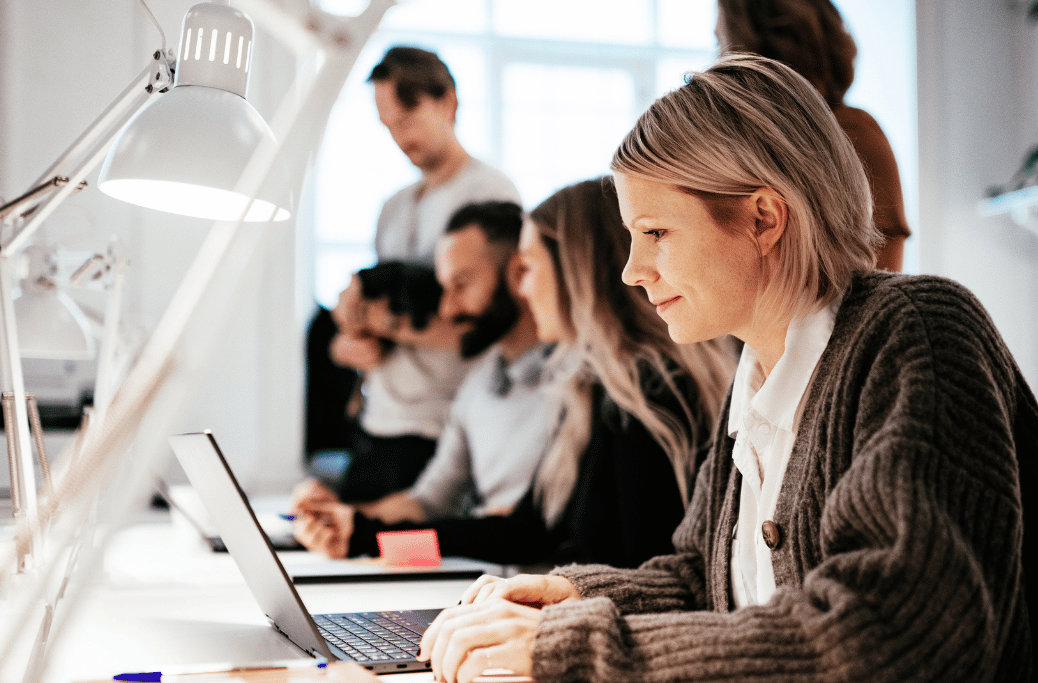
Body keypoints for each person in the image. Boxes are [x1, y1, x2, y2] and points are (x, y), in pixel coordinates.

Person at [417, 55, 1038, 683]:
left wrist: (573, 643)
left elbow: (894, 632)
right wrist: (569, 595)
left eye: (655, 234)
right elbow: (700, 580)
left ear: (763, 218)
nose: (632, 271)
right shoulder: (758, 371)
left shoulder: (916, 332)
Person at [294, 180, 735, 569]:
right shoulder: (587, 389)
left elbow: (646, 579)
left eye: (528, 269)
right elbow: (521, 534)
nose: (522, 289)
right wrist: (364, 538)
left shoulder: (645, 391)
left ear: (575, 273)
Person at [308, 46, 520, 502]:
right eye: (388, 127)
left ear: (448, 102)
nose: (399, 138)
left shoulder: (489, 194)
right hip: (377, 420)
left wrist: (381, 321)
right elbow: (369, 310)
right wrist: (349, 342)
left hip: (439, 428)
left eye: (407, 119)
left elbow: (490, 324)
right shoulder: (394, 206)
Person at [294, 201, 558, 533]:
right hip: (485, 569)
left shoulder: (572, 383)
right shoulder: (479, 387)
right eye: (445, 289)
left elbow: (532, 531)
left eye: (461, 285)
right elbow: (429, 502)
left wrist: (363, 534)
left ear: (519, 274)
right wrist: (338, 518)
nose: (447, 310)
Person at [715, 0, 911, 271]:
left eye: (722, 43)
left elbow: (875, 270)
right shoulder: (750, 143)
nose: (719, 61)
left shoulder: (850, 135)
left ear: (754, 49)